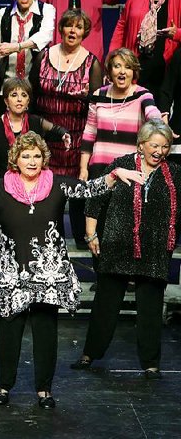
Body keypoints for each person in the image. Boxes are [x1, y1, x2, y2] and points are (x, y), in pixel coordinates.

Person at [0, 131, 143, 409]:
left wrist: (114, 175)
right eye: (26, 155)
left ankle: (44, 389)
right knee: (9, 332)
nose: (31, 161)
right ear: (15, 159)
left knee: (45, 332)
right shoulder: (1, 187)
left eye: (37, 156)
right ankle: (3, 386)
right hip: (11, 275)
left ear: (44, 159)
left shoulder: (57, 184)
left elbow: (88, 189)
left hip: (48, 275)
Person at [71, 120, 180, 379]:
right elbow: (95, 200)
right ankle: (89, 354)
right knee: (105, 305)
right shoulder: (121, 166)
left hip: (154, 249)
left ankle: (151, 363)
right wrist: (91, 234)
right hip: (117, 243)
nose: (160, 151)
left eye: (165, 146)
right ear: (141, 145)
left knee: (151, 309)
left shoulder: (175, 173)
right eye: (154, 145)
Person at [0, 77, 70, 290]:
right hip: (2, 189)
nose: (19, 99)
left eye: (23, 95)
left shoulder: (34, 122)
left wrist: (64, 135)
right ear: (5, 100)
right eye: (14, 95)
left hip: (29, 188)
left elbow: (55, 129)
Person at [30, 8, 103, 248]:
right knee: (46, 192)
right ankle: (47, 241)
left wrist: (85, 97)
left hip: (75, 137)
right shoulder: (43, 56)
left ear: (84, 33)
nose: (73, 30)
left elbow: (96, 104)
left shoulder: (92, 63)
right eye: (69, 25)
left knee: (76, 191)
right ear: (61, 29)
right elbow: (31, 93)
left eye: (78, 27)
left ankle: (82, 241)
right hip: (45, 137)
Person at [80, 48, 163, 183]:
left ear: (133, 72)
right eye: (117, 66)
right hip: (100, 170)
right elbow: (89, 133)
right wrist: (83, 168)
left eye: (128, 67)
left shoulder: (142, 95)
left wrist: (160, 122)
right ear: (110, 71)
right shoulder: (98, 95)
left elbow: (152, 113)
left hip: (131, 171)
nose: (122, 71)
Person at [109, 0, 181, 96]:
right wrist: (112, 56)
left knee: (156, 118)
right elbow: (122, 24)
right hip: (136, 68)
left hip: (164, 74)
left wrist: (176, 33)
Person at [0, 0, 56, 117]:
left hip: (35, 91)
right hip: (6, 90)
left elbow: (44, 36)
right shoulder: (2, 16)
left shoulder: (47, 11)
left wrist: (16, 47)